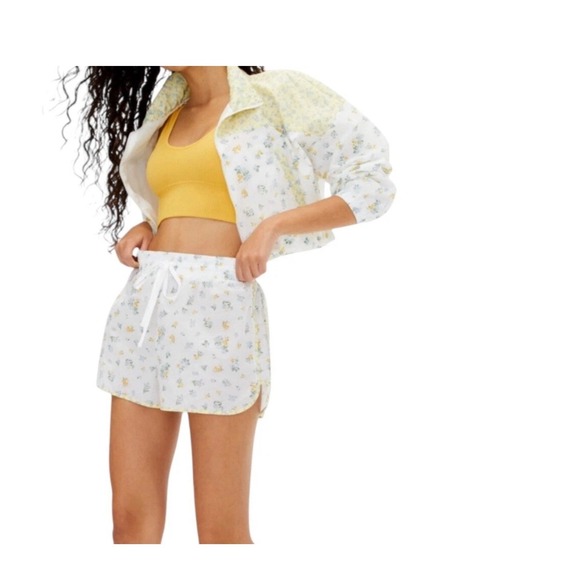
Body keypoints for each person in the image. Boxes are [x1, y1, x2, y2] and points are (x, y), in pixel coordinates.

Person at [59, 65, 396, 544]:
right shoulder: (168, 109)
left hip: (220, 314)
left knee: (221, 532)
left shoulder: (276, 94)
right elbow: (193, 198)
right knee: (130, 524)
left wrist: (273, 226)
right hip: (145, 309)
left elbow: (372, 183)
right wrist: (150, 224)